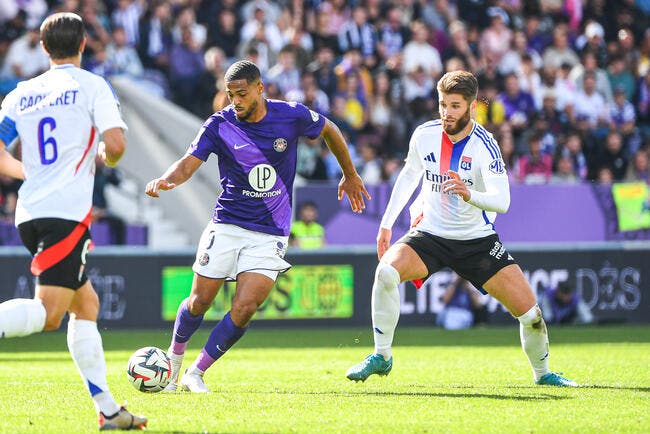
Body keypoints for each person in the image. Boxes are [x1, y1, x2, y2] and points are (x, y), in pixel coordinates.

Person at [145, 60, 370, 393]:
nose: (235, 100)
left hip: (270, 233)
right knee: (198, 303)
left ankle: (196, 372)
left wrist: (350, 174)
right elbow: (188, 163)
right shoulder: (219, 125)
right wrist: (166, 179)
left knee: (245, 308)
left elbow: (330, 129)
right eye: (230, 94)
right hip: (227, 225)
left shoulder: (291, 115)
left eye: (241, 93)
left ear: (260, 88)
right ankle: (172, 365)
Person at [345, 70, 578, 387]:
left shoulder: (486, 145)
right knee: (385, 272)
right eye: (442, 104)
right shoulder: (424, 135)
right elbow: (410, 175)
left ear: (471, 108)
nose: (446, 113)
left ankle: (543, 373)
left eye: (454, 106)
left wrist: (471, 195)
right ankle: (382, 356)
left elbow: (503, 201)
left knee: (531, 315)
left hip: (477, 242)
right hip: (430, 235)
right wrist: (386, 224)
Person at [0, 13, 147, 430]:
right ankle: (108, 411)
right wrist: (107, 156)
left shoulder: (21, 93)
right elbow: (115, 144)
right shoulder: (92, 86)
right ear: (84, 44)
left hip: (29, 212)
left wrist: (27, 172)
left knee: (87, 306)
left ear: (43, 49)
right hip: (65, 215)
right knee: (49, 315)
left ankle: (108, 410)